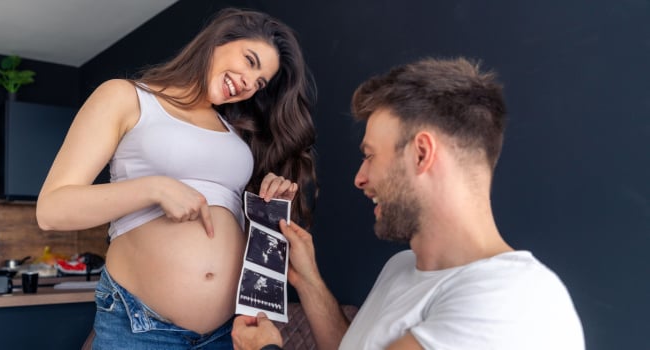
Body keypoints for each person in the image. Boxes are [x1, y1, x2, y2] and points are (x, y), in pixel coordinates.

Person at [232, 57, 585, 350]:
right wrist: (308, 280)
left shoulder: (512, 298)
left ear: (421, 153)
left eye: (370, 156)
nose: (359, 178)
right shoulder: (402, 267)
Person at [36, 8, 317, 350]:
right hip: (142, 327)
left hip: (226, 334)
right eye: (249, 60)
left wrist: (269, 207)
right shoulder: (127, 97)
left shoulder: (235, 135)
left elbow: (225, 223)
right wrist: (154, 188)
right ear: (219, 41)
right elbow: (51, 210)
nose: (248, 82)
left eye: (259, 83)